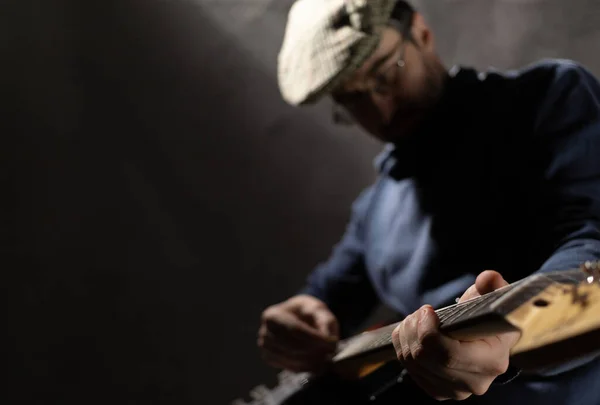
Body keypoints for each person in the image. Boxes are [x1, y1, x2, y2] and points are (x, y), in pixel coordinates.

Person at [257, 0, 600, 403]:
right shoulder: (375, 210)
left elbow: (589, 234)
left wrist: (512, 330)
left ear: (420, 33)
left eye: (385, 74)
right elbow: (328, 294)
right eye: (353, 99)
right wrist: (301, 315)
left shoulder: (546, 98)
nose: (380, 107)